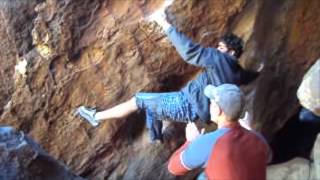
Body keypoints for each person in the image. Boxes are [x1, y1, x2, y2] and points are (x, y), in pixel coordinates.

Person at [75, 6, 260, 142]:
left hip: (185, 103)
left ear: (231, 52)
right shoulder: (237, 72)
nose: (216, 49)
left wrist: (164, 23)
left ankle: (95, 118)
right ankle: (156, 137)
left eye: (221, 47)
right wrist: (258, 72)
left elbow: (190, 52)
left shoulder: (217, 58)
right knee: (153, 106)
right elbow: (248, 77)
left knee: (138, 100)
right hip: (194, 108)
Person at [167, 84, 270, 180]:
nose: (210, 106)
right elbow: (268, 157)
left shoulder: (208, 143)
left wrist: (190, 141)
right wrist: (251, 131)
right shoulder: (258, 140)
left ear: (218, 110)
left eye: (212, 103)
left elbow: (173, 168)